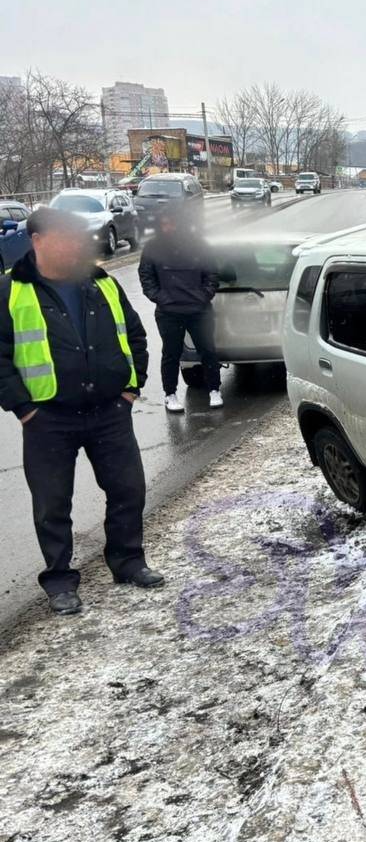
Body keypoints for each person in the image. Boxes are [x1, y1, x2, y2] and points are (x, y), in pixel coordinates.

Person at [0, 209, 161, 616]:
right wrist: (23, 408)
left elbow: (134, 333)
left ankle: (128, 562)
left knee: (128, 489)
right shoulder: (10, 291)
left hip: (109, 410)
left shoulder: (99, 281)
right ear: (38, 240)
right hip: (48, 419)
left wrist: (130, 386)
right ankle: (59, 581)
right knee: (52, 504)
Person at [138, 210, 222, 412]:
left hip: (199, 310)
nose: (169, 228)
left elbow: (212, 273)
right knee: (171, 353)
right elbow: (146, 276)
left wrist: (203, 296)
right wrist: (161, 298)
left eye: (173, 223)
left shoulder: (199, 245)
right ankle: (170, 394)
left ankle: (214, 390)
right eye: (165, 224)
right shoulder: (153, 247)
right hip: (169, 312)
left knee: (208, 351)